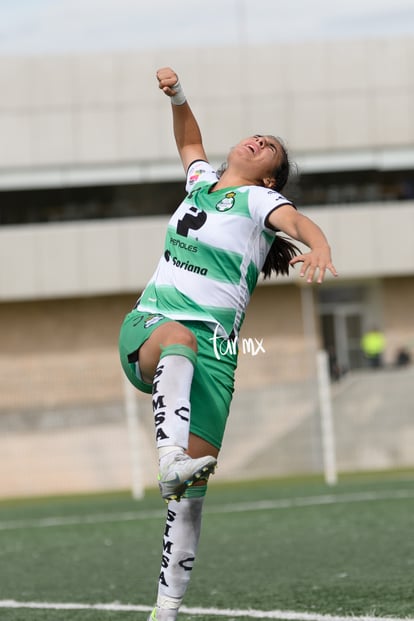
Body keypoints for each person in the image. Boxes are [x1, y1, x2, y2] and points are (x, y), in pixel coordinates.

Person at [118, 67, 338, 621]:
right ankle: (168, 457)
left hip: (215, 357)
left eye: (272, 149)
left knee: (189, 504)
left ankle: (165, 610)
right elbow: (190, 140)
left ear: (271, 180)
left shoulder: (259, 204)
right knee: (176, 339)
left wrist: (319, 246)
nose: (260, 139)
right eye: (260, 135)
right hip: (152, 325)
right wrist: (179, 95)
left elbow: (299, 221)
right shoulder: (199, 182)